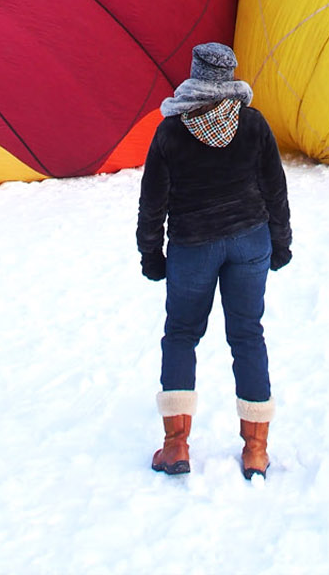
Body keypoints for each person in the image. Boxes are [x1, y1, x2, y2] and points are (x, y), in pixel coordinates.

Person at [136, 41, 292, 480]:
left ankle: (176, 446)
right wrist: (280, 243)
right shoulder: (253, 124)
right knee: (248, 337)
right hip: (249, 241)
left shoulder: (171, 131)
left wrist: (152, 254)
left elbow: (153, 204)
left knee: (181, 336)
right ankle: (256, 451)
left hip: (193, 247)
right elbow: (275, 191)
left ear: (194, 74)